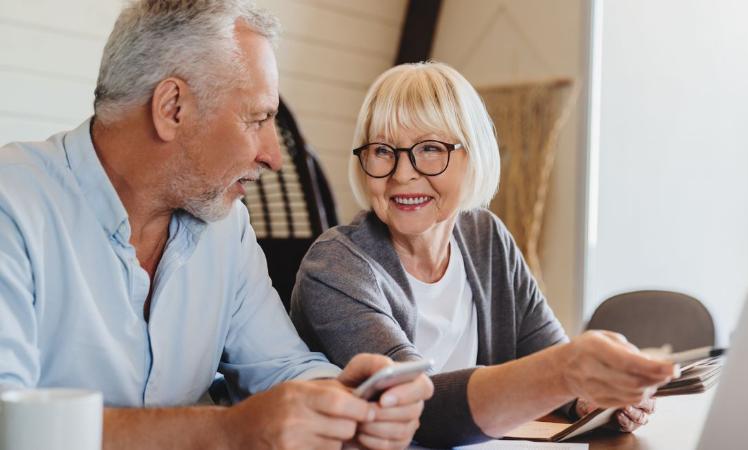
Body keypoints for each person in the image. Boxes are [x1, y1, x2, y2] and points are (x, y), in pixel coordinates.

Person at [0, 1, 432, 449]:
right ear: (172, 107)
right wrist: (227, 431)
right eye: (258, 118)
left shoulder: (226, 228)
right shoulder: (12, 206)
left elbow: (281, 368)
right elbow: (6, 426)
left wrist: (349, 401)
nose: (274, 156)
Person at [290, 61, 677, 447]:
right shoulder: (334, 266)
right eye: (382, 150)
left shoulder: (487, 237)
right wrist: (568, 373)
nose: (402, 174)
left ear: (472, 155)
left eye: (429, 149)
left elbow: (551, 356)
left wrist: (591, 397)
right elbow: (414, 407)